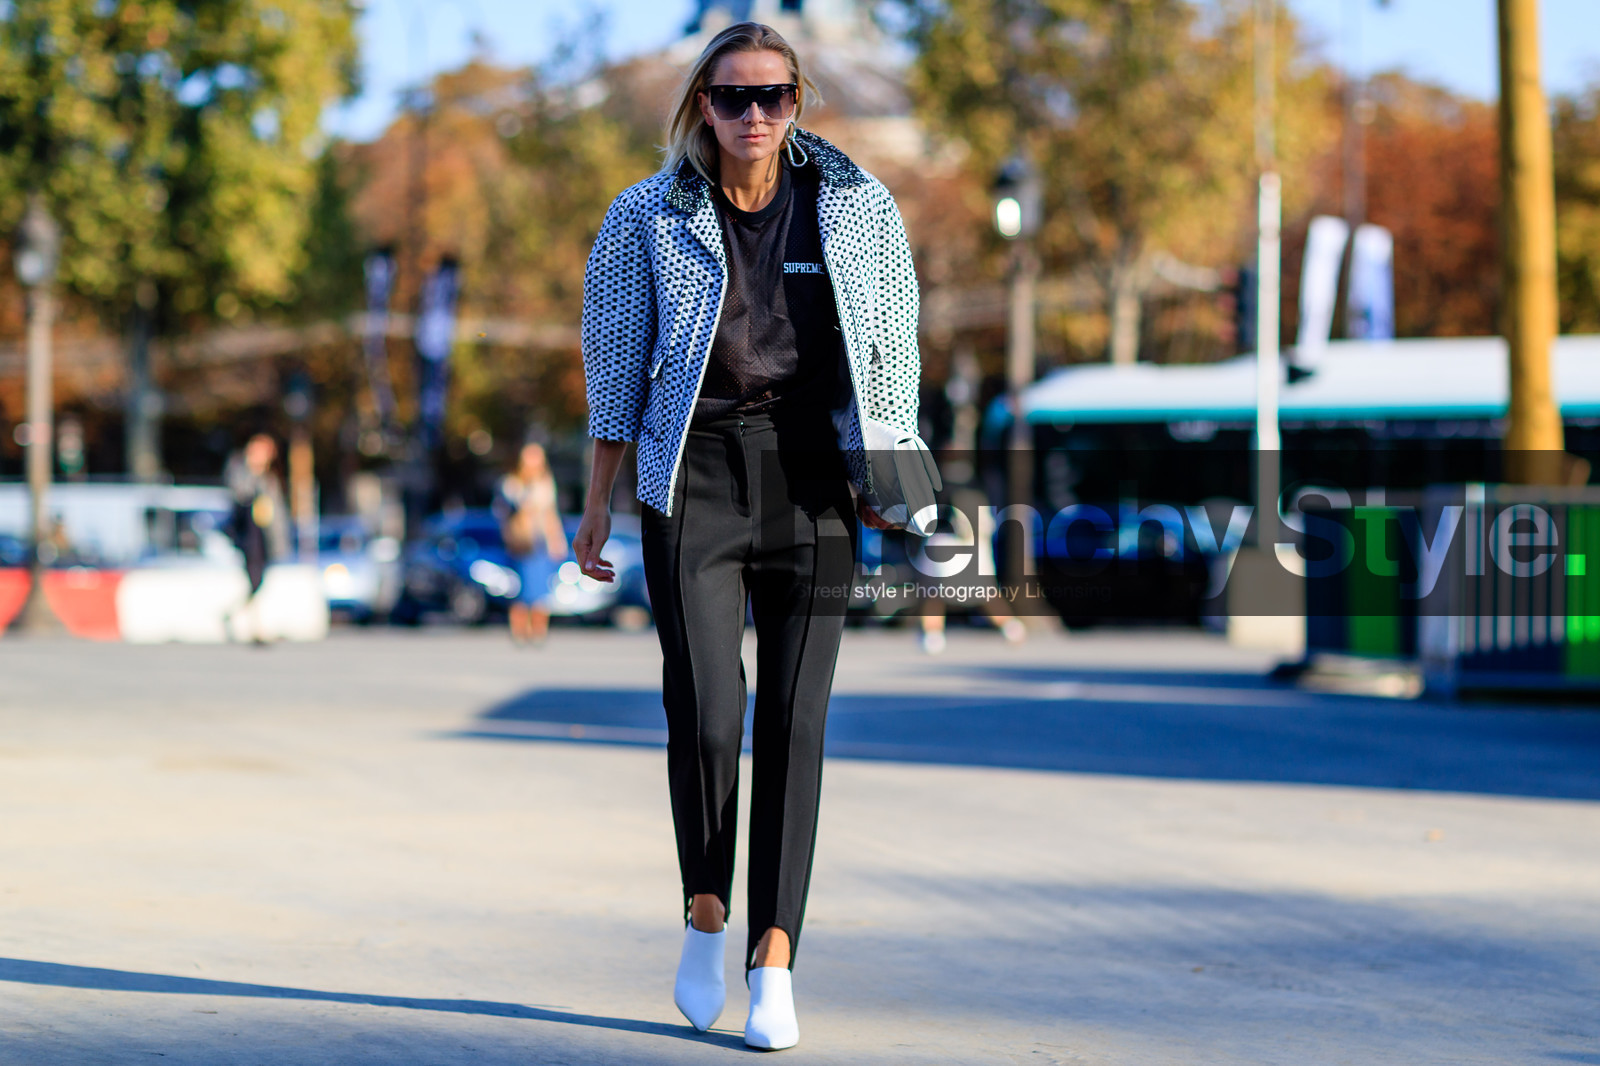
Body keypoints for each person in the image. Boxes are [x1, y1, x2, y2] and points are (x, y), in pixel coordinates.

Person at [571, 21, 918, 1051]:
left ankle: (774, 956)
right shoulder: (645, 215)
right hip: (696, 476)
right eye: (731, 97)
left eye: (772, 95)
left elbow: (892, 350)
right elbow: (614, 364)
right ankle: (704, 910)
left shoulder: (857, 209)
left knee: (795, 725)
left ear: (798, 101)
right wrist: (597, 498)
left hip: (813, 480)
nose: (753, 115)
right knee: (710, 714)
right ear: (700, 109)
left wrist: (892, 472)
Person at [495, 442, 568, 645]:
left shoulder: (546, 483)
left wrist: (557, 540)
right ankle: (519, 630)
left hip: (540, 542)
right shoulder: (512, 483)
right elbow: (505, 514)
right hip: (520, 543)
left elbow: (550, 515)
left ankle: (538, 631)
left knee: (540, 590)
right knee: (519, 589)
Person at [224, 433, 290, 641]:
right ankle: (256, 626)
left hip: (264, 536)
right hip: (248, 534)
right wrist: (252, 471)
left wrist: (281, 541)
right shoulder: (240, 470)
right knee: (254, 579)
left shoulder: (270, 477)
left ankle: (239, 616)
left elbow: (276, 513)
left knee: (259, 581)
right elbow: (240, 495)